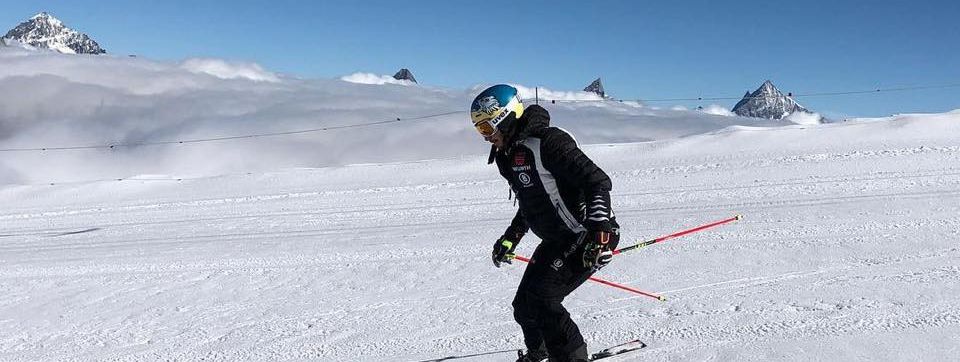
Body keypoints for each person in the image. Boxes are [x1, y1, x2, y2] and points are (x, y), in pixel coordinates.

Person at [469, 84, 620, 362]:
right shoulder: (508, 156)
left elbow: (597, 182)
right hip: (557, 238)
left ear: (506, 118)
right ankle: (539, 354)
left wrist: (601, 233)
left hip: (586, 234)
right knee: (524, 307)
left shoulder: (549, 142)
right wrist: (510, 238)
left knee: (543, 300)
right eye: (481, 131)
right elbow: (531, 202)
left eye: (488, 129)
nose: (487, 138)